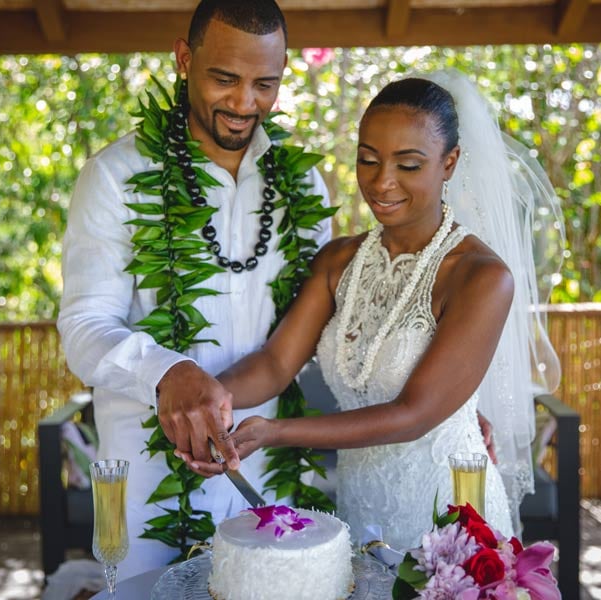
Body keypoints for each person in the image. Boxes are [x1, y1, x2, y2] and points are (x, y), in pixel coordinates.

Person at [180, 74, 564, 549]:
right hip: (360, 509)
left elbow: (414, 413)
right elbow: (276, 363)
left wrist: (276, 431)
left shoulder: (481, 277)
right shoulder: (338, 261)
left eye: (408, 165)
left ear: (449, 164)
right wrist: (207, 401)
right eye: (368, 160)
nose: (382, 182)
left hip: (448, 515)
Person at [57, 0, 333, 577]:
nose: (243, 103)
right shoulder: (114, 177)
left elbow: (324, 325)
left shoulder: (301, 181)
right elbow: (83, 327)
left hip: (268, 476)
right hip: (148, 485)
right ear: (184, 59)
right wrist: (166, 371)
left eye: (265, 84)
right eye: (225, 79)